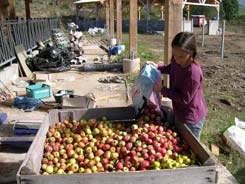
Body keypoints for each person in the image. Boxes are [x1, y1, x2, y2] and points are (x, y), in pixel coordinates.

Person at [148, 32, 208, 140]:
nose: (176, 59)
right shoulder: (177, 62)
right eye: (174, 55)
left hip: (191, 117)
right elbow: (171, 68)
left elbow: (184, 99)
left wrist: (163, 90)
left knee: (190, 147)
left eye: (181, 56)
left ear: (190, 53)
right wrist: (157, 67)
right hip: (179, 111)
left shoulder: (193, 73)